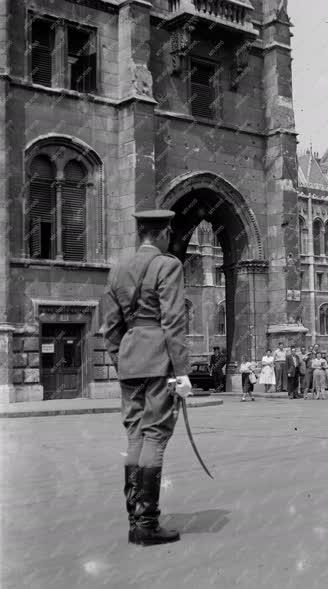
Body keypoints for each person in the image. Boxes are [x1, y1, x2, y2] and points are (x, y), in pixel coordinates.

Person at [102, 209, 192, 546]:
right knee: (155, 436)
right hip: (159, 361)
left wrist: (123, 358)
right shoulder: (168, 265)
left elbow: (110, 328)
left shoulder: (118, 269)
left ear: (141, 232)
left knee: (135, 436)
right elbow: (173, 321)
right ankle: (147, 523)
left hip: (130, 361)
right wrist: (182, 371)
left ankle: (135, 520)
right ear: (165, 232)